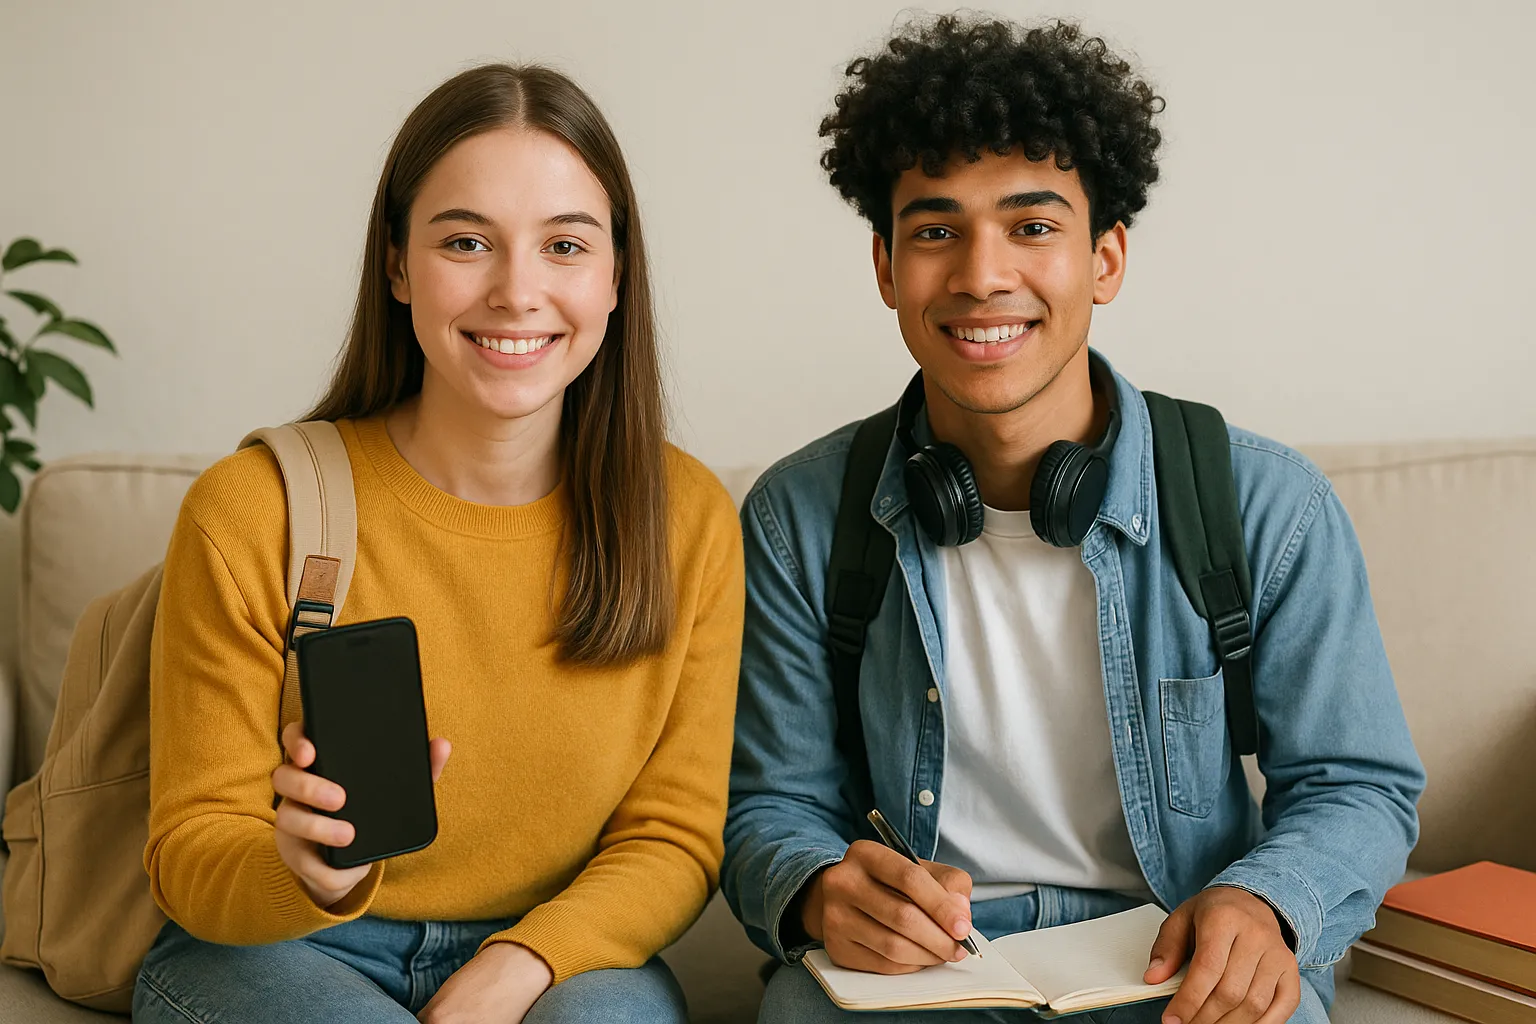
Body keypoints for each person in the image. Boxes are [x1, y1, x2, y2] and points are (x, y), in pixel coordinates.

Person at [722, 17, 1424, 1024]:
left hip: (1172, 952)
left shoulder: (1267, 501)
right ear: (886, 267)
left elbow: (1358, 782)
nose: (980, 274)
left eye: (1032, 225)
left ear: (1105, 259)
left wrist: (1263, 900)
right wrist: (816, 889)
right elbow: (769, 804)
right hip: (924, 975)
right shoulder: (799, 515)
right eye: (934, 230)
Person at [135, 64, 744, 1024]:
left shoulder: (688, 519)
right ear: (396, 266)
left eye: (565, 246)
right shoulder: (252, 511)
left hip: (558, 954)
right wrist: (308, 869)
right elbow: (190, 848)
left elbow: (671, 839)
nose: (516, 291)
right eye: (466, 242)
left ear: (617, 275)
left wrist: (518, 967)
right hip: (285, 950)